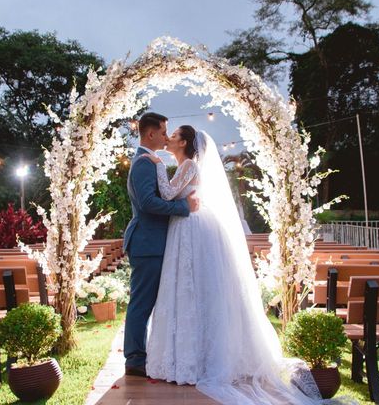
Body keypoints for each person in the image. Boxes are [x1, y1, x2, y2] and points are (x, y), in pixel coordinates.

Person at [143, 125, 351, 405]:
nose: (168, 138)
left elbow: (167, 194)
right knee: (187, 289)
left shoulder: (190, 164)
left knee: (191, 287)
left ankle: (194, 360)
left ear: (185, 143)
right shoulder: (187, 164)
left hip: (190, 229)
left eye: (174, 135)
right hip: (185, 228)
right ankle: (187, 356)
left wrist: (156, 164)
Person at [123, 113, 200, 377]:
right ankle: (134, 359)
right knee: (141, 303)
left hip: (154, 241)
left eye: (170, 133)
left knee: (151, 301)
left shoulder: (150, 161)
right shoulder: (145, 162)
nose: (167, 137)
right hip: (147, 242)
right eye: (164, 132)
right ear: (151, 134)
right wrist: (183, 207)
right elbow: (148, 203)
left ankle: (144, 355)